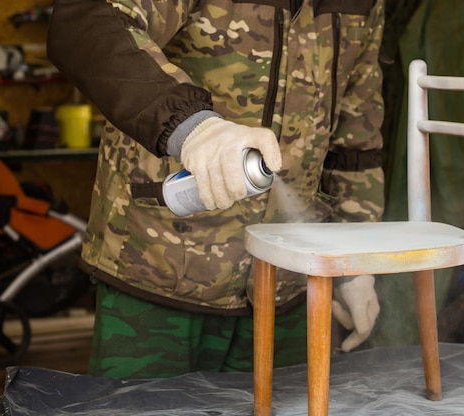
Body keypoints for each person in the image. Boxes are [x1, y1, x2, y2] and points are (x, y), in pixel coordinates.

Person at [47, 0, 386, 379]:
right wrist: (192, 127)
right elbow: (88, 19)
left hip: (289, 284)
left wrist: (356, 263)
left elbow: (356, 138)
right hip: (159, 272)